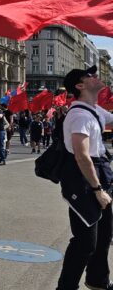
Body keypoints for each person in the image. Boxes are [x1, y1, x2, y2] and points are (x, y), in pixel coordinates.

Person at [56, 65, 113, 290]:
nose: (95, 76)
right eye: (90, 75)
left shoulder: (94, 110)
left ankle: (97, 279)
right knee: (85, 241)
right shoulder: (79, 115)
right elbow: (82, 156)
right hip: (84, 181)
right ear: (80, 86)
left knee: (105, 234)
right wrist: (98, 190)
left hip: (100, 175)